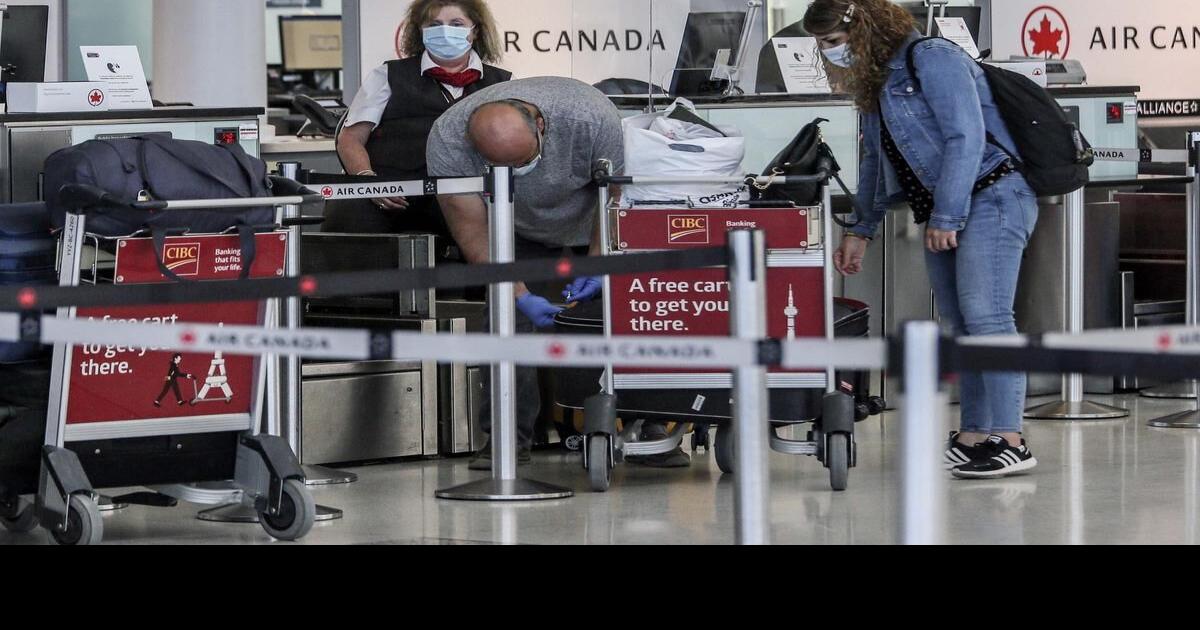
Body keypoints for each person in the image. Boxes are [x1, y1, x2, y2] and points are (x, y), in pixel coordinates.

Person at [805, 0, 1040, 479]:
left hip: (993, 197)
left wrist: (948, 214)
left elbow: (965, 138)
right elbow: (873, 158)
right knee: (960, 322)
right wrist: (861, 230)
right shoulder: (877, 82)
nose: (829, 53)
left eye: (832, 42)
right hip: (946, 208)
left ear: (862, 28)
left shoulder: (933, 58)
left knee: (988, 316)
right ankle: (976, 433)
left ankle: (1012, 438)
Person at [427, 77, 692, 469]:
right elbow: (472, 230)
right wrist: (517, 293)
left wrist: (599, 266)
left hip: (594, 220)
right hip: (513, 230)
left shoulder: (588, 116)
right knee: (504, 319)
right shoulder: (449, 139)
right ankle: (505, 438)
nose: (513, 172)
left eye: (519, 163)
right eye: (498, 166)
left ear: (540, 126)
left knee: (633, 311)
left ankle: (651, 427)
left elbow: (615, 198)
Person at [332, 0, 511, 243]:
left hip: (464, 197)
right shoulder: (388, 75)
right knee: (353, 222)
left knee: (497, 232)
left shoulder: (500, 84)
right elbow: (350, 139)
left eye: (456, 24)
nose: (445, 30)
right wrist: (369, 182)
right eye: (434, 24)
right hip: (389, 194)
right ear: (420, 30)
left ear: (475, 31)